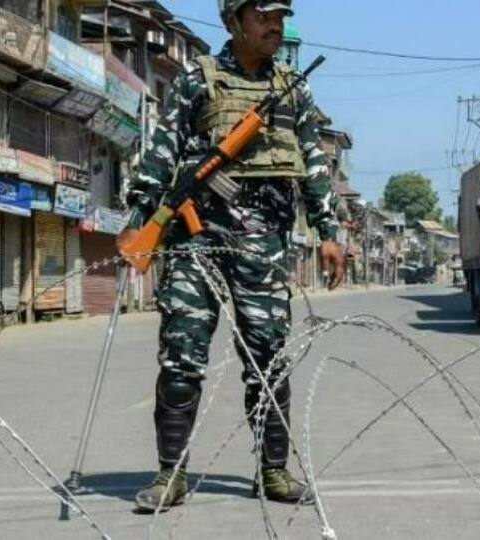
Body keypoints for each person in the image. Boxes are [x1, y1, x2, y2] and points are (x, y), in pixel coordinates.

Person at [118, 0, 344, 512]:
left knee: (268, 359)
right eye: (263, 15)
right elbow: (163, 149)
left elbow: (313, 166)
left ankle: (274, 472)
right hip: (195, 238)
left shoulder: (294, 89)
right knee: (181, 356)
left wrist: (328, 230)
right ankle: (169, 475)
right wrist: (140, 216)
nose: (275, 25)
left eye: (280, 18)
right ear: (233, 21)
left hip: (263, 243)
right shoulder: (197, 80)